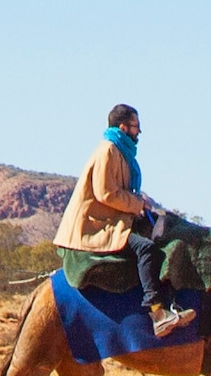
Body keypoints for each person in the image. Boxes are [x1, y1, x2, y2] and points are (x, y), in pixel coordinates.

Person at [54, 103, 158, 296]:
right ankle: (157, 308)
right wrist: (137, 204)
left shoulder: (121, 152)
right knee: (146, 248)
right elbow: (106, 193)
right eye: (136, 126)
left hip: (111, 221)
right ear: (123, 127)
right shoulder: (107, 150)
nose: (139, 132)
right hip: (94, 226)